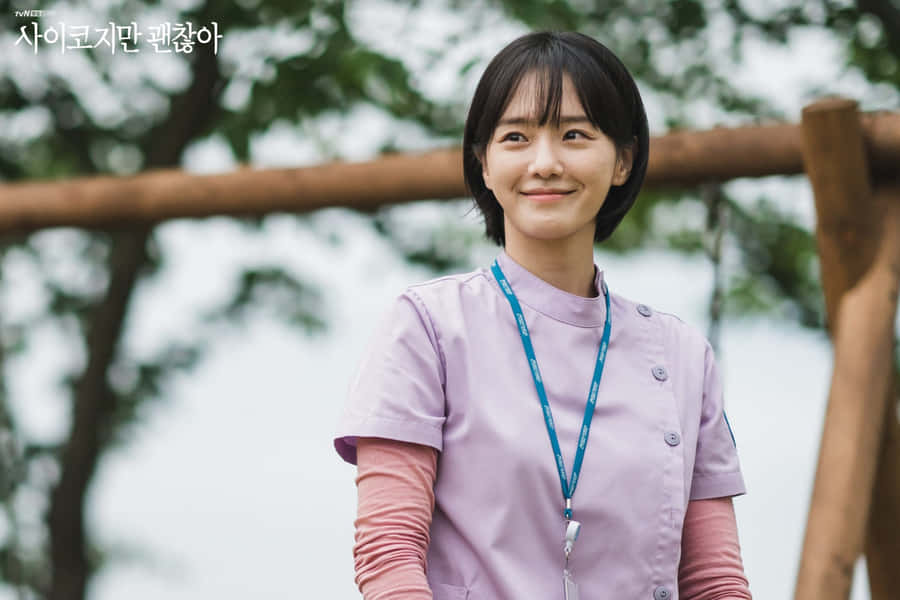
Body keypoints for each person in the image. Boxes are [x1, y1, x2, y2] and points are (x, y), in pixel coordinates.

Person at [334, 31, 752, 600]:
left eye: (575, 135)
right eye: (516, 137)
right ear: (483, 163)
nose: (546, 163)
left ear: (623, 160)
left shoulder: (682, 355)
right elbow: (389, 556)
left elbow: (715, 583)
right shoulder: (428, 326)